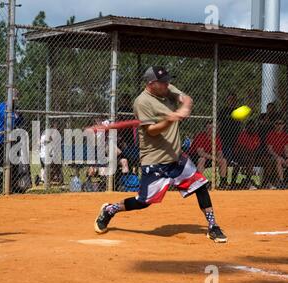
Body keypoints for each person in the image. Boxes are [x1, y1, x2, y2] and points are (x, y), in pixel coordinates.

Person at [94, 66, 228, 243]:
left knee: (200, 185)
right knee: (143, 202)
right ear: (151, 84)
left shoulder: (168, 89)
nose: (168, 84)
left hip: (177, 157)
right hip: (155, 161)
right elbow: (152, 131)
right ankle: (110, 210)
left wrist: (185, 107)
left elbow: (186, 99)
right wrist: (170, 119)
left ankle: (213, 226)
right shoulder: (142, 103)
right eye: (163, 82)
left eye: (167, 81)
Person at [189, 122, 229, 189]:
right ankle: (198, 183)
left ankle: (223, 183)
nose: (210, 130)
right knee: (202, 159)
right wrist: (215, 158)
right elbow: (200, 153)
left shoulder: (216, 137)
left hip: (210, 157)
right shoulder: (200, 136)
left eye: (212, 128)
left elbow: (219, 152)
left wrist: (220, 158)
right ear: (205, 129)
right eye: (208, 128)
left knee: (223, 161)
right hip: (195, 157)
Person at [234, 120, 261, 189]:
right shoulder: (243, 134)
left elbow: (257, 149)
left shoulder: (256, 136)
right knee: (247, 160)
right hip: (239, 155)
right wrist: (250, 155)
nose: (252, 128)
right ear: (247, 127)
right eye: (250, 126)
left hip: (251, 156)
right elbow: (241, 148)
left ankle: (248, 181)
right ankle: (233, 182)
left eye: (253, 126)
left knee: (250, 160)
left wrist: (252, 155)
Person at [265, 120, 288, 189]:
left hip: (282, 156)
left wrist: (287, 158)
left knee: (283, 160)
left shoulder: (285, 135)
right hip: (272, 156)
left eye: (281, 123)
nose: (279, 125)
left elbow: (286, 149)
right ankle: (281, 182)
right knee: (278, 160)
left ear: (283, 125)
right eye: (277, 123)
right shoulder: (270, 134)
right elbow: (270, 150)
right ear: (274, 125)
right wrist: (278, 157)